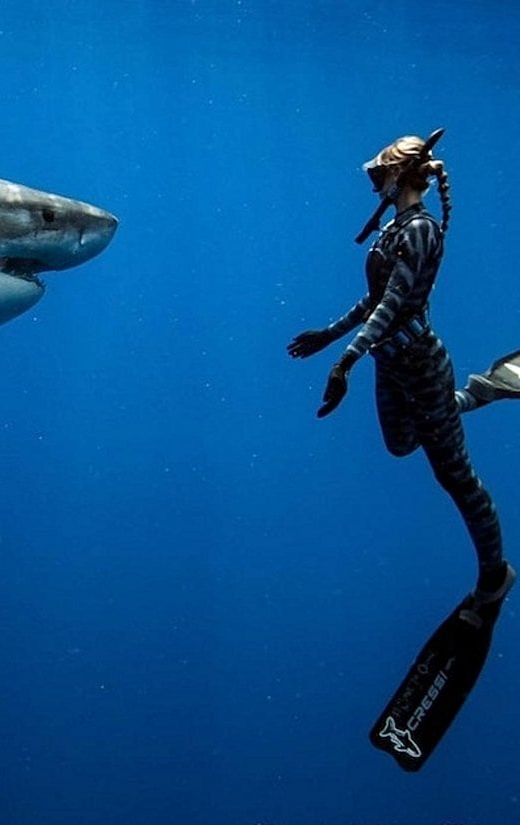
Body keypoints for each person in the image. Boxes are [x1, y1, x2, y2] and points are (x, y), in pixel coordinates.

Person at [287, 132, 518, 770]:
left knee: (456, 475)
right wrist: (327, 331)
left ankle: (496, 577)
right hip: (394, 365)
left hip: (413, 358)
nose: (372, 183)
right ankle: (480, 392)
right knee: (400, 444)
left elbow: (393, 306)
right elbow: (371, 300)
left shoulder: (420, 232)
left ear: (401, 175)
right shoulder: (393, 232)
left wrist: (347, 361)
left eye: (379, 174)